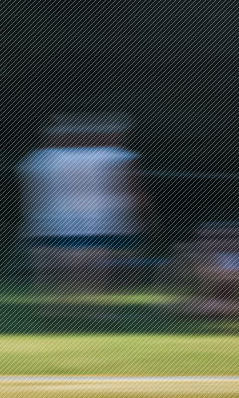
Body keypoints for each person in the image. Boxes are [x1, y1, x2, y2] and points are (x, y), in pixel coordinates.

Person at [17, 113, 144, 321]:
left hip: (46, 226)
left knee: (57, 272)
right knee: (93, 271)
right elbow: (130, 190)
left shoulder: (37, 158)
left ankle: (55, 310)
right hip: (93, 225)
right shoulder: (111, 155)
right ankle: (93, 311)